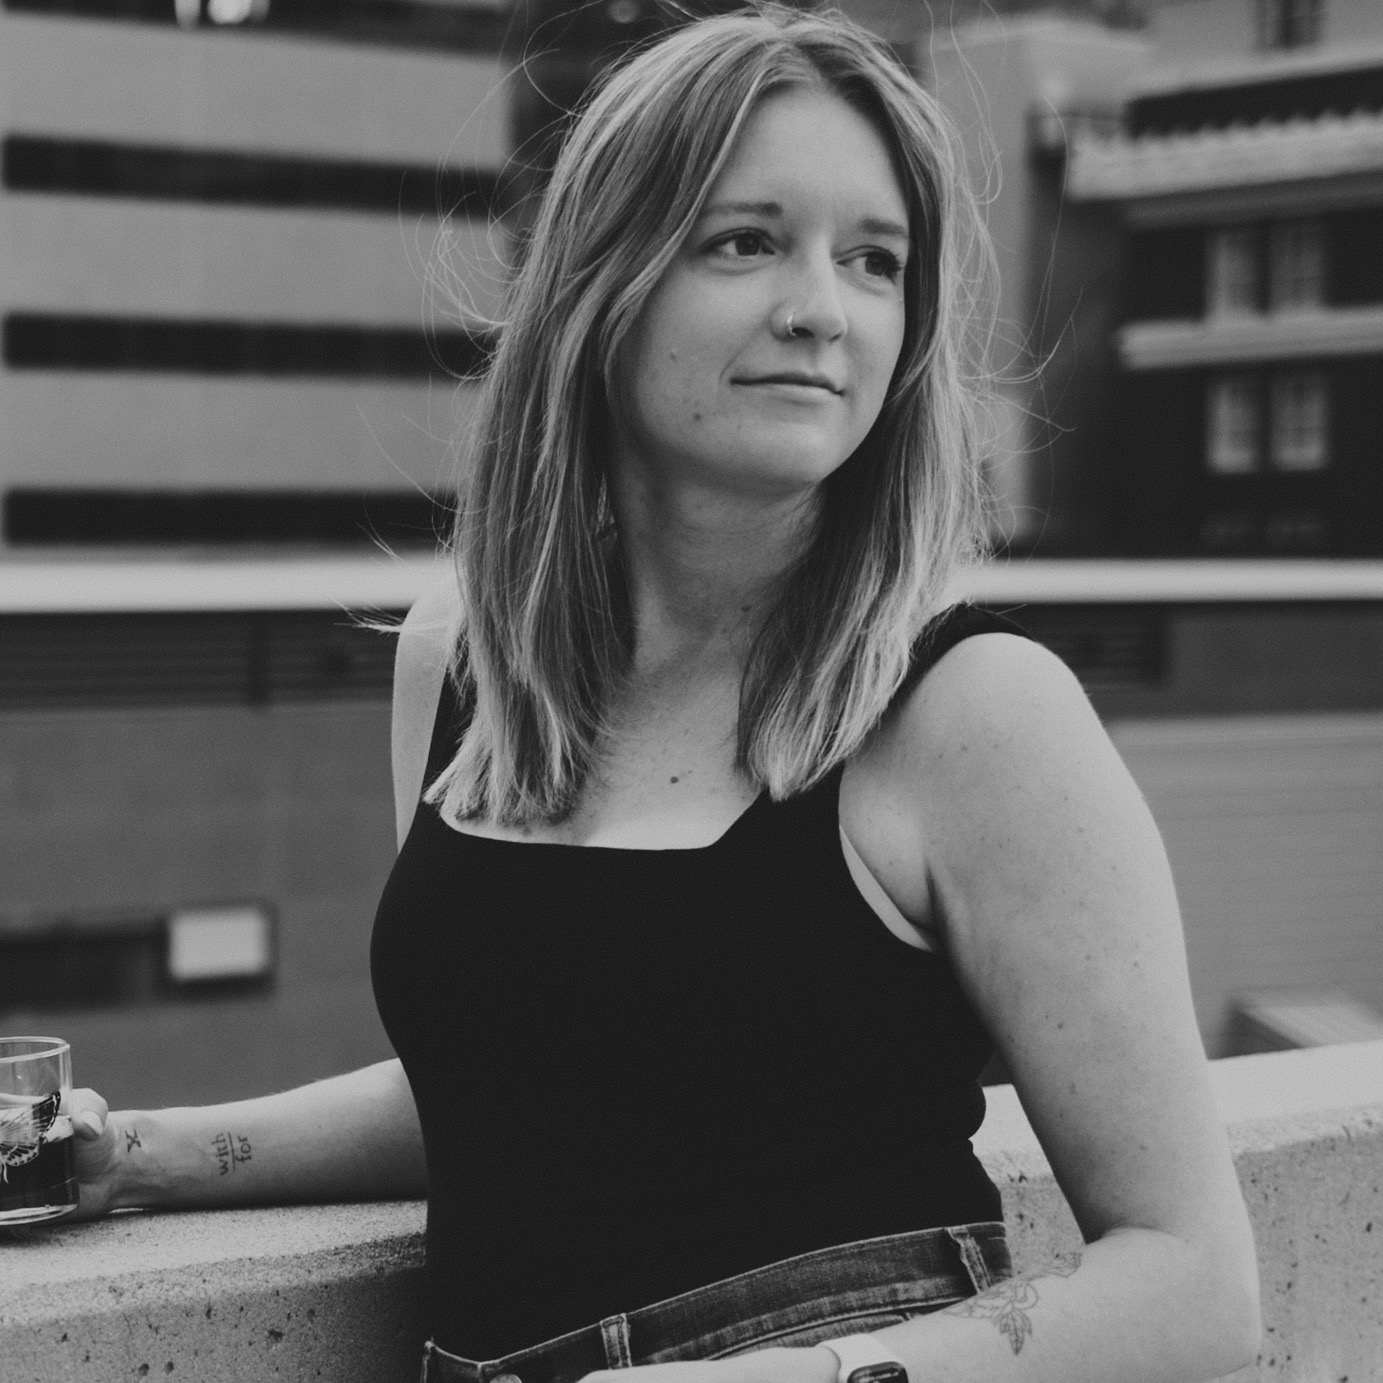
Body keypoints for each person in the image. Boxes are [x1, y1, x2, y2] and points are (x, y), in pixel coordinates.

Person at [60, 8, 1261, 1383]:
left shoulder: (974, 715)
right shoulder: (467, 666)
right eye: (746, 241)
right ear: (602, 283)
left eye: (876, 259)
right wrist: (144, 1158)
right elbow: (525, 1088)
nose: (822, 306)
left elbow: (1195, 1283)